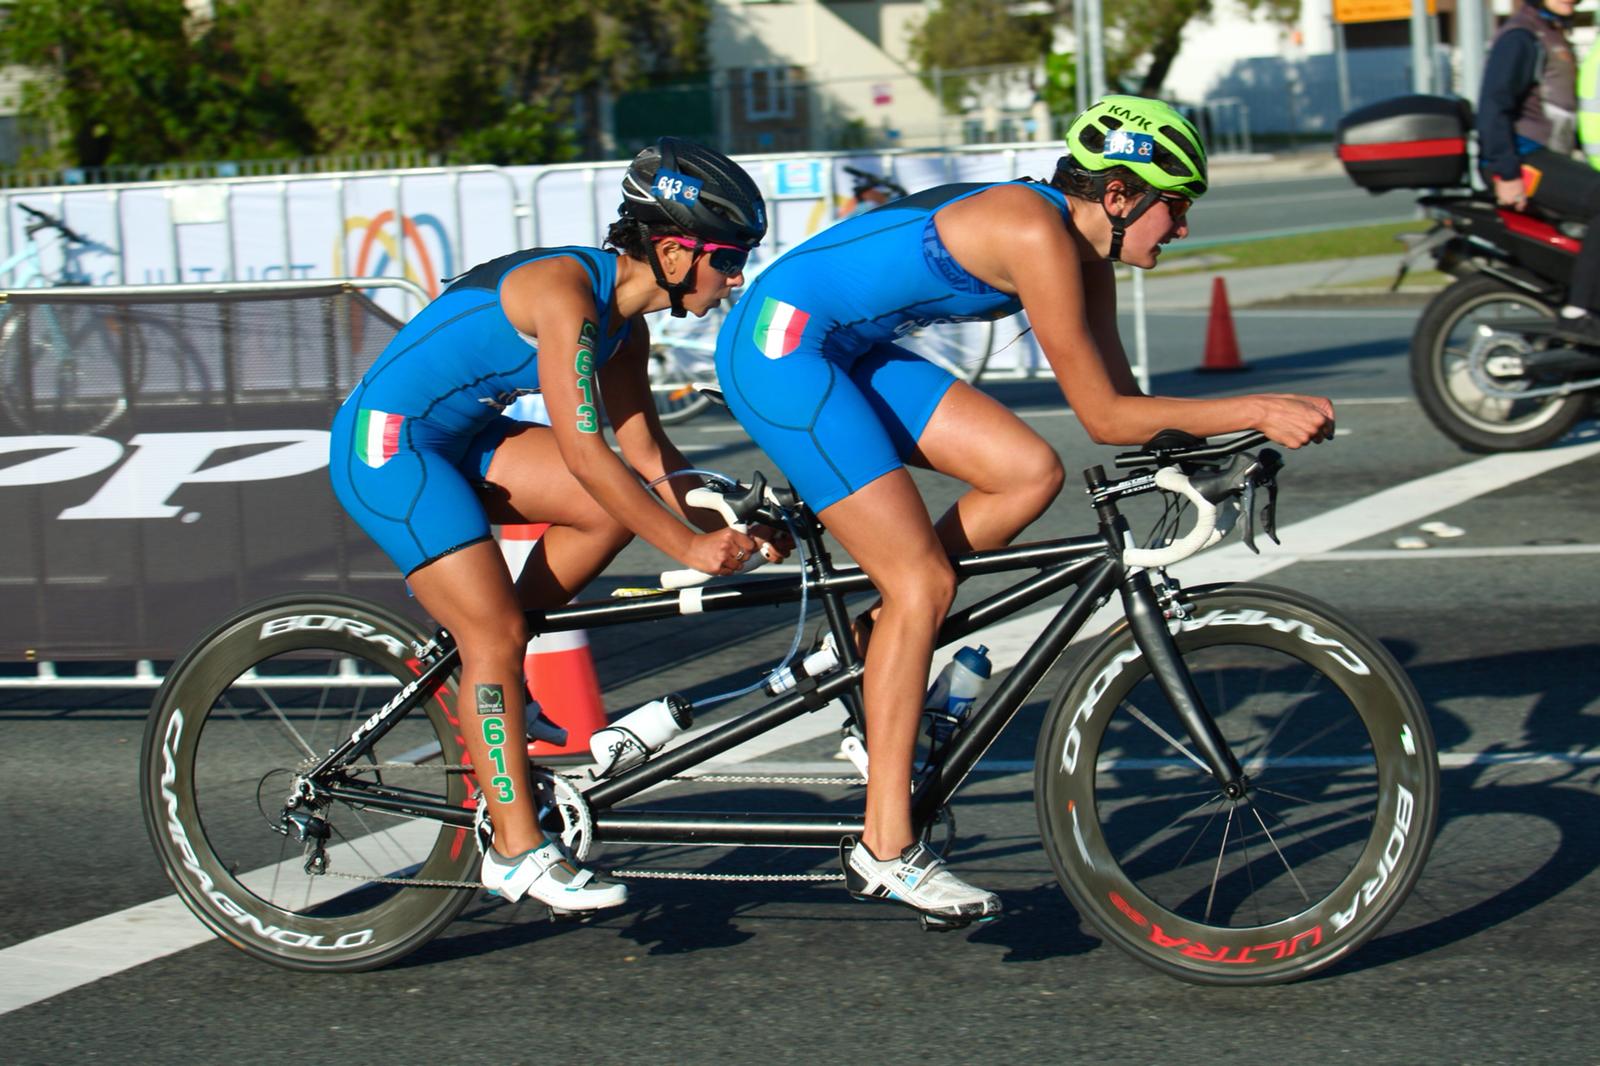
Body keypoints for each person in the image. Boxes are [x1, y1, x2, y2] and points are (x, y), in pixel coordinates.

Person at [712, 95, 1335, 925]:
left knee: (1026, 472)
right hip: (781, 345)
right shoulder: (1038, 234)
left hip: (844, 348)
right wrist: (1255, 406)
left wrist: (1215, 447)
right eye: (1176, 206)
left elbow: (1127, 404)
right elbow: (1105, 420)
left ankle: (870, 647)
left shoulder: (1089, 253)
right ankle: (884, 846)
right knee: (921, 586)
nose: (1181, 228)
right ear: (1119, 196)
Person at [330, 137, 782, 911]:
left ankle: (486, 653)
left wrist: (727, 510)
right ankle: (514, 851)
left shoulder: (624, 327)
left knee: (596, 529)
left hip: (463, 440)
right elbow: (584, 451)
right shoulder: (569, 297)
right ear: (674, 252)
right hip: (388, 445)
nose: (735, 277)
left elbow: (646, 452)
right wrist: (689, 547)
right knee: (500, 634)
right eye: (727, 257)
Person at [1478, 0, 1600, 338]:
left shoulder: (1550, 33)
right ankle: (1580, 312)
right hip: (1522, 160)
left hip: (1542, 156)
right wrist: (1506, 173)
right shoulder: (1521, 36)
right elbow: (1493, 105)